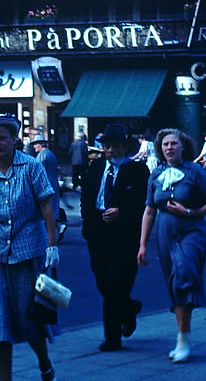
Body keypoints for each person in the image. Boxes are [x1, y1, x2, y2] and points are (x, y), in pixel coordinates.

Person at [0, 113, 59, 381]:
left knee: (29, 319)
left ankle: (44, 362)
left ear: (14, 139)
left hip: (28, 250)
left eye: (2, 138)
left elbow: (47, 206)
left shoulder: (31, 167)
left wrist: (51, 245)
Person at [137, 128, 206, 363]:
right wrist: (142, 245)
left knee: (184, 275)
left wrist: (190, 211)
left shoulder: (195, 171)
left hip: (191, 230)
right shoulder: (156, 174)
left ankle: (184, 338)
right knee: (174, 283)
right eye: (165, 145)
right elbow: (150, 210)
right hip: (165, 233)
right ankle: (183, 336)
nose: (169, 148)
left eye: (174, 143)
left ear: (183, 147)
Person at [80, 123, 149, 352]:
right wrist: (89, 225)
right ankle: (128, 308)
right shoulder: (97, 167)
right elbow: (87, 198)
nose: (110, 151)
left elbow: (143, 204)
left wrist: (122, 212)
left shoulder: (138, 171)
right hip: (98, 232)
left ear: (125, 147)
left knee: (116, 283)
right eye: (107, 146)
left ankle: (112, 337)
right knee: (103, 281)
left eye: (115, 146)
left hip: (124, 235)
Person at [32, 138, 61, 217]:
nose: (34, 146)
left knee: (46, 209)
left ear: (40, 144)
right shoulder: (50, 153)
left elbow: (38, 172)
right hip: (53, 183)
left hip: (46, 185)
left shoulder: (42, 155)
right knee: (53, 208)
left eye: (35, 144)